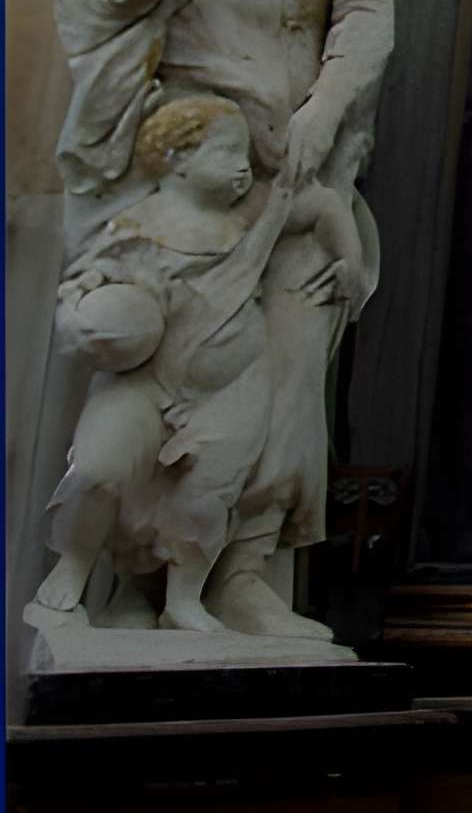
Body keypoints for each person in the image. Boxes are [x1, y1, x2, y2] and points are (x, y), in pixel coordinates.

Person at [49, 0, 391, 641]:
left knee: (283, 371)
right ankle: (112, 577)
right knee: (150, 360)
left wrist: (325, 109)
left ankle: (243, 572)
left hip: (292, 155)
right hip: (182, 151)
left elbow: (363, 11)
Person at [32, 100, 362, 635]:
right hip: (146, 381)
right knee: (99, 466)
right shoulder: (136, 222)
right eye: (228, 153)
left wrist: (347, 259)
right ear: (176, 158)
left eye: (245, 156)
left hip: (232, 385)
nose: (242, 166)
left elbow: (320, 206)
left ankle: (184, 600)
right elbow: (92, 281)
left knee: (208, 497)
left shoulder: (254, 210)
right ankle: (73, 565)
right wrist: (84, 304)